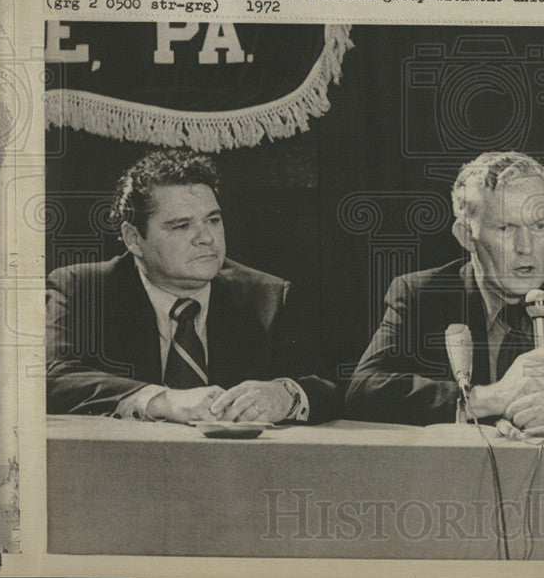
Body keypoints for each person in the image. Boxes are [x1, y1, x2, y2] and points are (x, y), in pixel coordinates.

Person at [345, 151, 544, 428]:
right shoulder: (421, 294)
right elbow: (363, 390)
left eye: (540, 225)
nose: (526, 247)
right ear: (465, 235)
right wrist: (490, 398)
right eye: (506, 228)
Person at [46, 149, 339, 424]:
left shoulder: (268, 297)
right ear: (134, 238)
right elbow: (48, 378)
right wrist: (164, 401)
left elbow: (328, 389)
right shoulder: (81, 290)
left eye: (213, 220)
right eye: (181, 226)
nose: (206, 238)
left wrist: (285, 395)